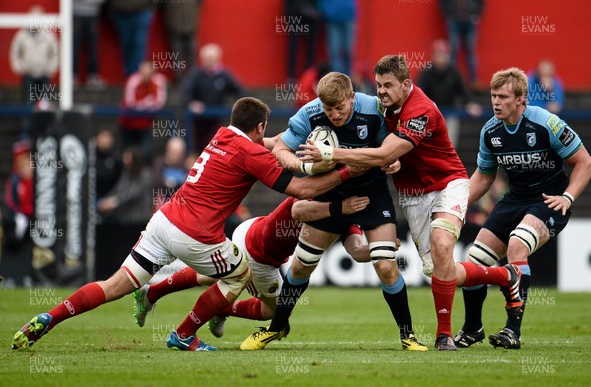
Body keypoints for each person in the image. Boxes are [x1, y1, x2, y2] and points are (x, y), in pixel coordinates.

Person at [12, 97, 361, 352]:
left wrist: (301, 140)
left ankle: (49, 317)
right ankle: (183, 334)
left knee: (114, 285)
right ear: (258, 127)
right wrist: (349, 168)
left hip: (163, 220)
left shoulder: (222, 135)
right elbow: (302, 189)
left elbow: (272, 147)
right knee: (239, 273)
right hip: (195, 233)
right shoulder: (251, 152)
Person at [300, 56, 523, 351]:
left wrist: (331, 154)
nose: (381, 91)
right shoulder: (380, 107)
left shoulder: (421, 111)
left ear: (406, 84)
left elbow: (381, 154)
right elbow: (373, 143)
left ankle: (444, 336)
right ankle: (505, 276)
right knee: (440, 270)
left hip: (448, 183)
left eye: (388, 85)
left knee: (443, 244)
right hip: (412, 195)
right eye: (378, 85)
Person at [241, 72, 428, 352]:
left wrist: (394, 163)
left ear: (352, 98)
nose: (335, 114)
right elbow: (280, 149)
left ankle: (408, 336)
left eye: (340, 107)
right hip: (329, 191)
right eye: (329, 109)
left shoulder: (374, 109)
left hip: (371, 192)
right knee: (302, 264)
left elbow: (390, 148)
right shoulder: (310, 113)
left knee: (386, 264)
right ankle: (275, 328)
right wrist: (304, 167)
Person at [451, 67, 591, 349]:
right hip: (514, 199)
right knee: (474, 260)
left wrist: (567, 197)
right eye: (493, 96)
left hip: (548, 200)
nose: (495, 102)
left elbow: (585, 162)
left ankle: (512, 332)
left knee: (517, 245)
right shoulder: (490, 130)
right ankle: (472, 328)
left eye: (503, 96)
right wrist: (456, 204)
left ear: (521, 100)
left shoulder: (545, 123)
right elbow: (484, 175)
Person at [132, 196, 374, 333]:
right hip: (259, 256)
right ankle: (222, 309)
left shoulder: (344, 216)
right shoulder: (316, 199)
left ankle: (152, 292)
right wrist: (337, 208)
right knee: (276, 315)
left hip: (249, 228)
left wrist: (379, 249)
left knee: (211, 276)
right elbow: (298, 211)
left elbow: (357, 252)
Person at [417, 39, 482, 145]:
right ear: (433, 55)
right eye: (438, 53)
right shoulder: (426, 72)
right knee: (430, 144)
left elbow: (462, 90)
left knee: (450, 143)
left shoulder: (453, 71)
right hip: (430, 114)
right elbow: (419, 91)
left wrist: (470, 104)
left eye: (443, 53)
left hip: (450, 113)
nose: (441, 57)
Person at [185, 43, 245, 152]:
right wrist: (192, 103)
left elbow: (240, 91)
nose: (209, 61)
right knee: (199, 147)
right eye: (206, 58)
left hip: (216, 119)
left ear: (217, 58)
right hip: (198, 119)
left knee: (214, 144)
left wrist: (237, 106)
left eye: (211, 58)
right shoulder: (196, 75)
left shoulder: (224, 75)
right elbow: (187, 92)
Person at [9, 5, 59, 131]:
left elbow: (56, 53)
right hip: (28, 76)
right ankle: (26, 133)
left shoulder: (49, 35)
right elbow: (14, 53)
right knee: (27, 104)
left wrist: (50, 69)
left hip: (44, 76)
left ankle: (46, 131)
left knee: (46, 105)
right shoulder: (21, 35)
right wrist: (20, 68)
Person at [439, 0, 485, 86]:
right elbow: (442, 1)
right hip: (453, 21)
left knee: (470, 50)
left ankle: (473, 80)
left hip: (470, 21)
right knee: (453, 50)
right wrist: (448, 15)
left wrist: (476, 15)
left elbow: (481, 0)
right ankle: (452, 80)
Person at [161, 0, 204, 85]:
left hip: (191, 24)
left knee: (191, 54)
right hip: (174, 24)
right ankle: (179, 80)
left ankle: (191, 81)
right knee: (176, 55)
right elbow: (161, 1)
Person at [72, 0, 107, 89]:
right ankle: (72, 77)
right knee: (74, 46)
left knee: (93, 47)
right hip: (76, 15)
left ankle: (92, 76)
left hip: (93, 15)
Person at [118, 60, 167, 158]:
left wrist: (142, 104)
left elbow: (159, 103)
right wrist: (147, 103)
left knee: (145, 151)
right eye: (144, 72)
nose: (146, 76)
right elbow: (130, 102)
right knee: (128, 151)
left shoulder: (158, 81)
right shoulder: (133, 80)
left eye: (149, 73)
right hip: (128, 122)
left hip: (145, 123)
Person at [284, 0, 320, 83]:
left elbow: (319, 0)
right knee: (293, 48)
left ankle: (308, 77)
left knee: (311, 49)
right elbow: (287, 2)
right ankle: (291, 77)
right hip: (296, 19)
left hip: (311, 20)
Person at [97, 146, 153, 225]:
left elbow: (132, 194)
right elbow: (117, 190)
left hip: (139, 220)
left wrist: (113, 202)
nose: (124, 160)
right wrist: (105, 200)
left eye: (127, 158)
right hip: (124, 219)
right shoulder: (126, 173)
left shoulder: (146, 175)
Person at [1, 140, 33, 251]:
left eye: (29, 166)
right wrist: (18, 211)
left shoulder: (34, 182)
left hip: (32, 215)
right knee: (18, 223)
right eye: (24, 167)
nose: (27, 170)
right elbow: (10, 200)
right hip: (19, 214)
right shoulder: (15, 181)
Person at [151, 136, 188, 211]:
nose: (177, 156)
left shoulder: (186, 167)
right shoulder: (160, 164)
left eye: (180, 154)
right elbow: (156, 181)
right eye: (174, 153)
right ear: (168, 151)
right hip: (162, 203)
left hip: (180, 205)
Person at [95, 129, 122, 200]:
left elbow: (120, 180)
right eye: (103, 137)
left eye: (108, 137)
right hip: (93, 195)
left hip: (110, 197)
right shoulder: (90, 158)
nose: (105, 140)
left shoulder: (116, 159)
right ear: (96, 140)